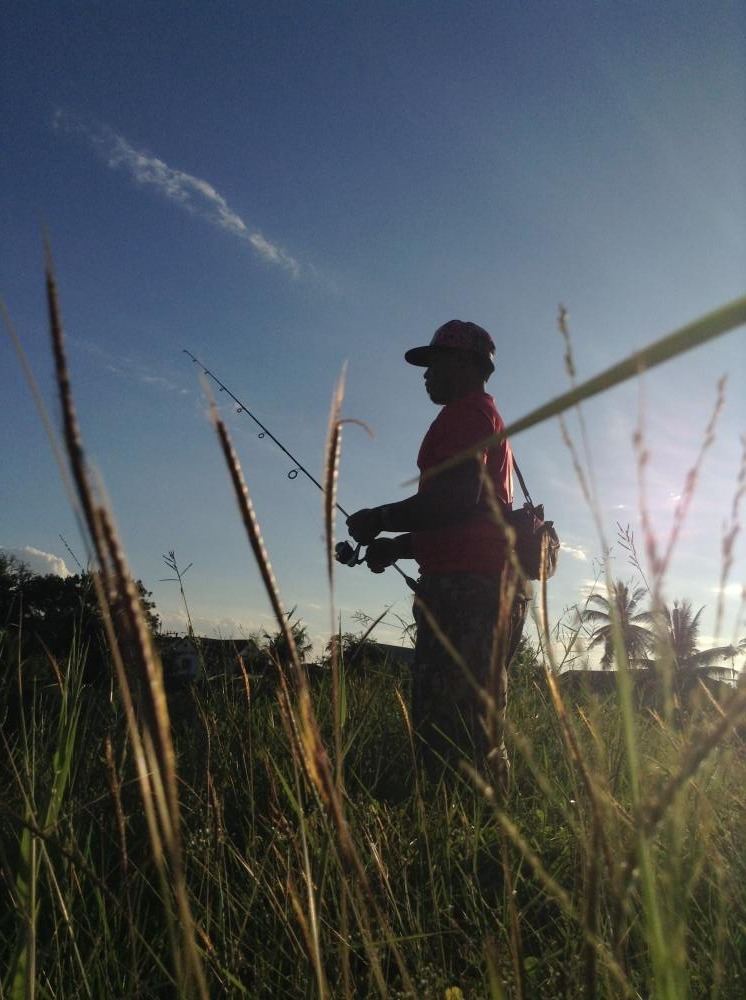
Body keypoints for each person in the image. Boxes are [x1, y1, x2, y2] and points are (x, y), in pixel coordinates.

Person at [346, 320, 527, 794]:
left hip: (469, 591)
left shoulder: (466, 415)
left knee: (454, 730)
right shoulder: (481, 416)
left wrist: (381, 517)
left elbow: (455, 500)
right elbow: (470, 516)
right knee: (472, 723)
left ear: (464, 363)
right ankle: (480, 839)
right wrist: (399, 546)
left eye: (434, 362)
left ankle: (473, 844)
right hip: (478, 583)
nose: (425, 374)